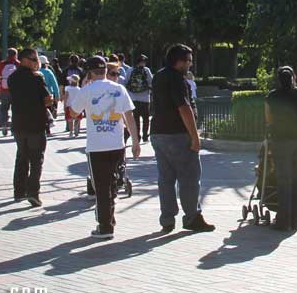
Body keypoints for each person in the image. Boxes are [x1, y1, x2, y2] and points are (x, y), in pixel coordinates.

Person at [67, 55, 141, 239]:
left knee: (101, 186)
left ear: (90, 73)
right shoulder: (119, 88)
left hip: (96, 146)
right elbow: (129, 116)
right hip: (117, 145)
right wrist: (136, 141)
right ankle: (109, 219)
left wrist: (84, 90)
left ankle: (105, 225)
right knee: (113, 184)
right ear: (106, 71)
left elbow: (74, 112)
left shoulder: (86, 90)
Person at [151, 43, 214, 233]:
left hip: (158, 133)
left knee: (166, 178)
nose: (191, 65)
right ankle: (192, 217)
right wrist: (195, 137)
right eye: (189, 61)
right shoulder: (178, 80)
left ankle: (167, 219)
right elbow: (184, 108)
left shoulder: (158, 76)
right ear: (179, 61)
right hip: (177, 134)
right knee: (189, 177)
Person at [265, 66, 297, 232]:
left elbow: (269, 119)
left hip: (281, 138)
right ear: (294, 77)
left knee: (284, 179)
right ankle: (296, 220)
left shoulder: (272, 96)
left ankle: (283, 221)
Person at [8, 48, 52, 207]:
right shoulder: (37, 78)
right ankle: (33, 193)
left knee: (21, 156)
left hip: (19, 123)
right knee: (36, 159)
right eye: (34, 59)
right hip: (36, 124)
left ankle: (19, 191)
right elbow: (47, 99)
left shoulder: (12, 78)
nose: (37, 63)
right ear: (24, 60)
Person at [125, 54, 153, 142]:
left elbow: (126, 82)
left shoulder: (130, 70)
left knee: (136, 118)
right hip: (145, 98)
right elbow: (151, 82)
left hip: (133, 98)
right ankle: (145, 135)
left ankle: (137, 136)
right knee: (146, 119)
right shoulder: (146, 70)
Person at [0, 48, 20, 136]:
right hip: (16, 91)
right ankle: (14, 128)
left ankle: (4, 124)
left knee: (4, 108)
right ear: (16, 55)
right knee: (16, 109)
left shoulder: (2, 64)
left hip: (4, 89)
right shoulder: (18, 64)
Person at [39, 55, 61, 136]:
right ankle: (48, 129)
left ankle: (41, 128)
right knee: (48, 112)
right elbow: (55, 84)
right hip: (48, 95)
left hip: (38, 95)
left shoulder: (35, 72)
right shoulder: (48, 72)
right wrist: (57, 95)